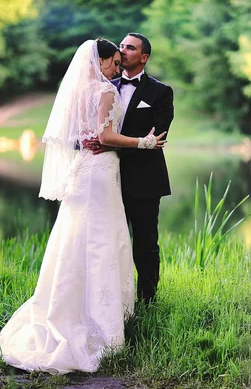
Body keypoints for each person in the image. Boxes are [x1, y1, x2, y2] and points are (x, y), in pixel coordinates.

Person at [0, 38, 167, 374]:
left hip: (88, 171)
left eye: (122, 59)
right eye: (114, 61)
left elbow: (85, 133)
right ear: (99, 61)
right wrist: (142, 142)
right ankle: (98, 323)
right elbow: (102, 137)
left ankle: (73, 308)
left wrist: (96, 140)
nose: (117, 67)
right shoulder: (104, 91)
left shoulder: (82, 90)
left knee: (80, 239)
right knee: (101, 239)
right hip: (99, 173)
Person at [85, 33, 174, 305]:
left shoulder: (161, 92)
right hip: (105, 178)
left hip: (145, 179)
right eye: (121, 46)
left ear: (144, 57)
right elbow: (90, 129)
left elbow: (155, 137)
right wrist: (91, 143)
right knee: (107, 241)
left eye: (130, 47)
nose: (123, 50)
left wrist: (110, 144)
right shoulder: (103, 86)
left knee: (145, 243)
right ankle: (110, 301)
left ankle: (147, 300)